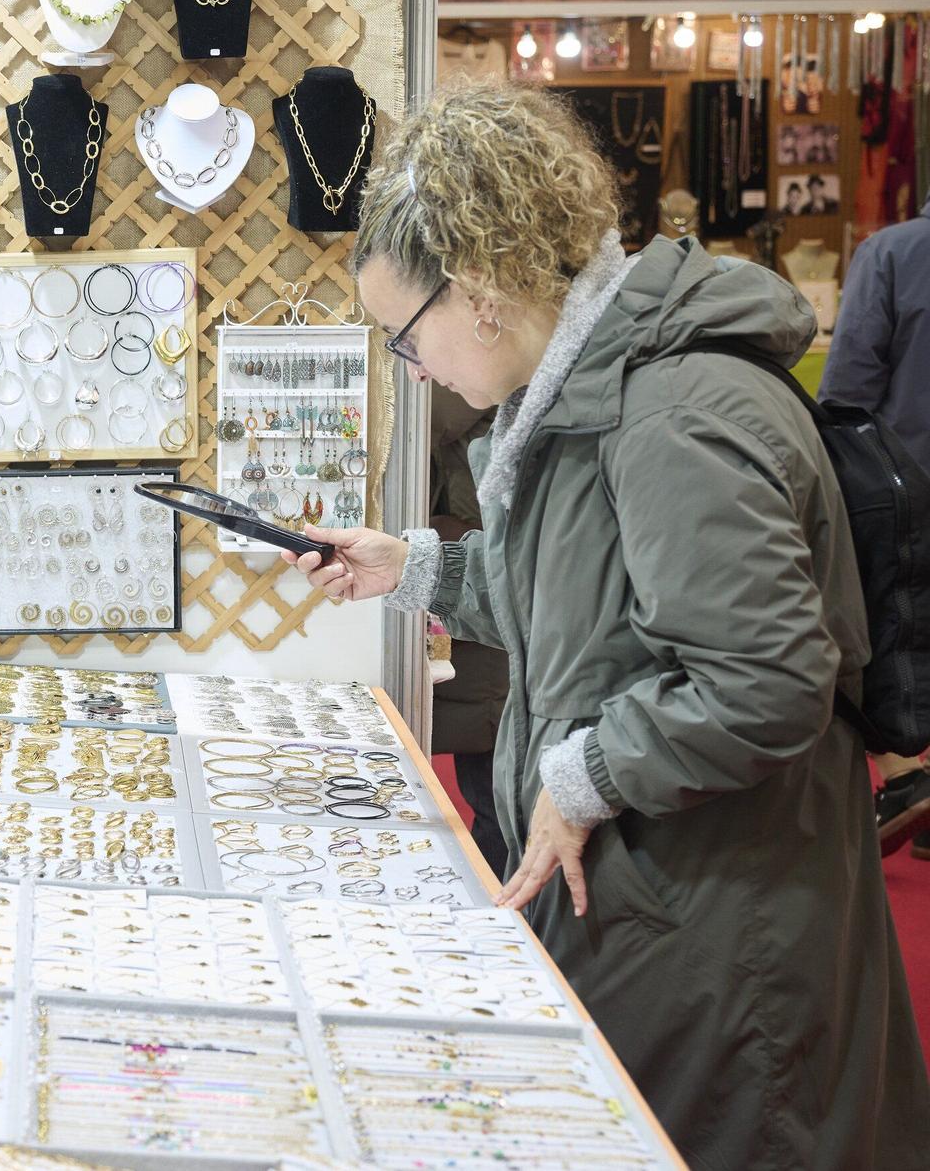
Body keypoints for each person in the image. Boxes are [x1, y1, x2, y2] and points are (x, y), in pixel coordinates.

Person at [285, 80, 929, 1170]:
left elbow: (762, 679)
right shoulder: (587, 393)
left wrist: (582, 771)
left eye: (404, 336)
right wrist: (418, 567)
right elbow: (591, 599)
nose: (416, 368)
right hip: (666, 907)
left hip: (727, 946)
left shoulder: (673, 411)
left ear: (477, 289)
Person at [822, 189, 930, 856]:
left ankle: (902, 772)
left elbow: (846, 392)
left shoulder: (891, 252)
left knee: (883, 636)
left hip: (906, 485)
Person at [427, 383, 509, 875]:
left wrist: (433, 538)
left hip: (484, 638)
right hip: (473, 635)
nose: (417, 373)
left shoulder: (485, 411)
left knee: (496, 801)